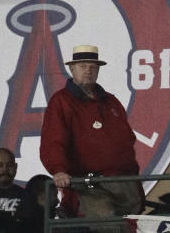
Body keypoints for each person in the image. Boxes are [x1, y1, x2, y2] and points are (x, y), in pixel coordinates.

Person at [39, 44, 144, 219]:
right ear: (72, 68)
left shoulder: (111, 101)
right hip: (90, 184)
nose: (88, 70)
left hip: (124, 182)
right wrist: (58, 169)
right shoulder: (61, 101)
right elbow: (53, 140)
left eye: (93, 67)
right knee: (106, 225)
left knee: (129, 225)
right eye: (82, 66)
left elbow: (127, 140)